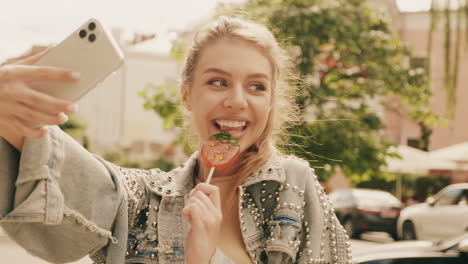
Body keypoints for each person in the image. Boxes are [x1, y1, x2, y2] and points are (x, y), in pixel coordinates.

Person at [0, 16, 352, 264]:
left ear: (271, 101)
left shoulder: (293, 185)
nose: (237, 100)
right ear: (187, 95)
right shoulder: (142, 201)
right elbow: (58, 166)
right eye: (218, 82)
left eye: (257, 86)